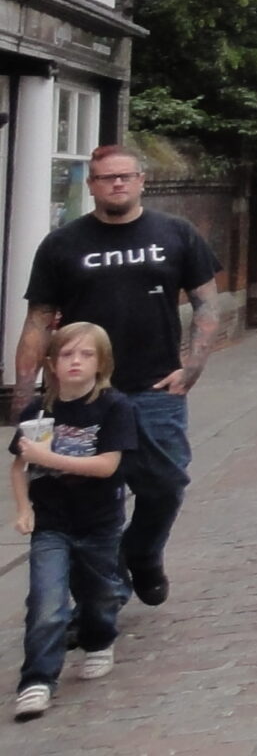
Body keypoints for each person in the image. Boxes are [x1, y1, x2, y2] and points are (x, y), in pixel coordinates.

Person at [14, 146, 219, 611]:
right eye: (106, 178)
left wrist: (193, 364)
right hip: (84, 394)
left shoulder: (175, 233)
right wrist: (26, 395)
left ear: (142, 180)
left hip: (155, 388)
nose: (117, 185)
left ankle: (143, 554)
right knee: (85, 501)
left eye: (125, 177)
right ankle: (97, 603)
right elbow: (37, 320)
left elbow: (207, 302)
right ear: (91, 185)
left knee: (164, 486)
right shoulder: (63, 244)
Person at [10, 323, 136, 720]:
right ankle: (37, 680)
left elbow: (107, 465)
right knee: (47, 602)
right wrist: (23, 508)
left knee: (99, 595)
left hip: (98, 523)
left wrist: (48, 460)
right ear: (52, 364)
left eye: (86, 355)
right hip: (51, 522)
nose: (76, 362)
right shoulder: (40, 412)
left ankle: (99, 640)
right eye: (67, 355)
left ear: (101, 363)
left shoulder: (115, 407)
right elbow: (19, 465)